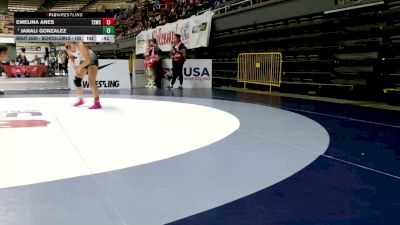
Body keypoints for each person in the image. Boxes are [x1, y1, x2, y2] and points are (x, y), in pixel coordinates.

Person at [66, 42, 101, 109]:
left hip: (92, 59)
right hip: (83, 60)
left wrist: (79, 67)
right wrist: (73, 64)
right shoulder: (67, 47)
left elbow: (88, 60)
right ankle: (81, 99)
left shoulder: (79, 44)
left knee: (91, 81)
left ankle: (97, 103)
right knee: (77, 80)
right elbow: (71, 56)